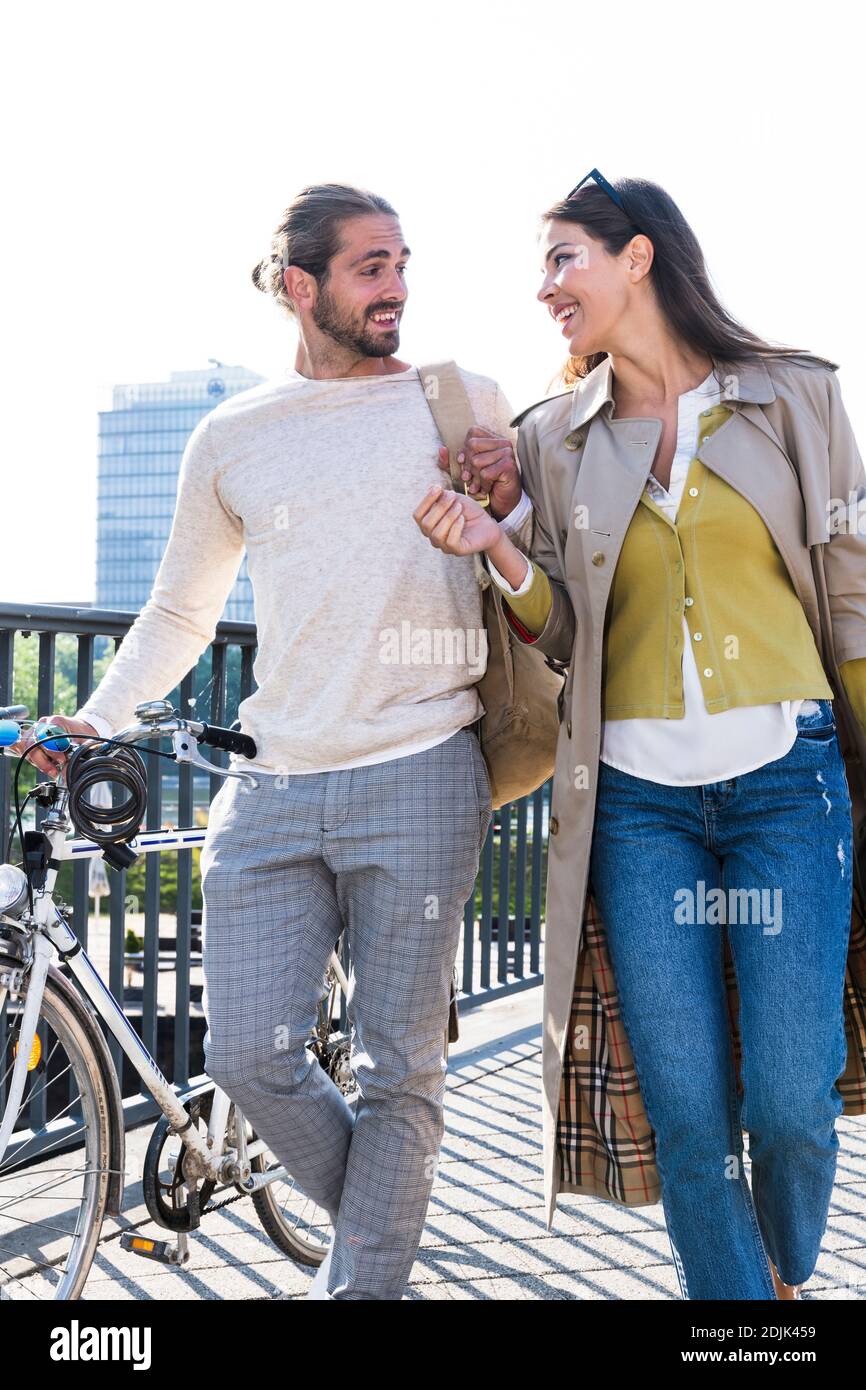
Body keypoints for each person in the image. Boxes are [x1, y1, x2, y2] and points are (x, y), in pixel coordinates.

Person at [18, 182, 532, 1300]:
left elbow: (534, 564)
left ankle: (361, 1287)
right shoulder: (233, 436)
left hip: (423, 765)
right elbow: (177, 612)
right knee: (248, 1053)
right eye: (369, 268)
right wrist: (95, 717)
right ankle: (378, 1236)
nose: (396, 287)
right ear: (300, 287)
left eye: (402, 262)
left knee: (403, 1073)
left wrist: (505, 507)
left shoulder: (462, 401)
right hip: (272, 785)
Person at [414, 171, 866, 1300]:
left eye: (563, 258)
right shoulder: (553, 439)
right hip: (637, 810)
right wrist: (497, 544)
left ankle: (782, 1276)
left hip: (786, 787)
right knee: (686, 1113)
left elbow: (850, 591)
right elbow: (563, 628)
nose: (544, 288)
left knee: (788, 1099)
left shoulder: (791, 398)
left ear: (638, 258)